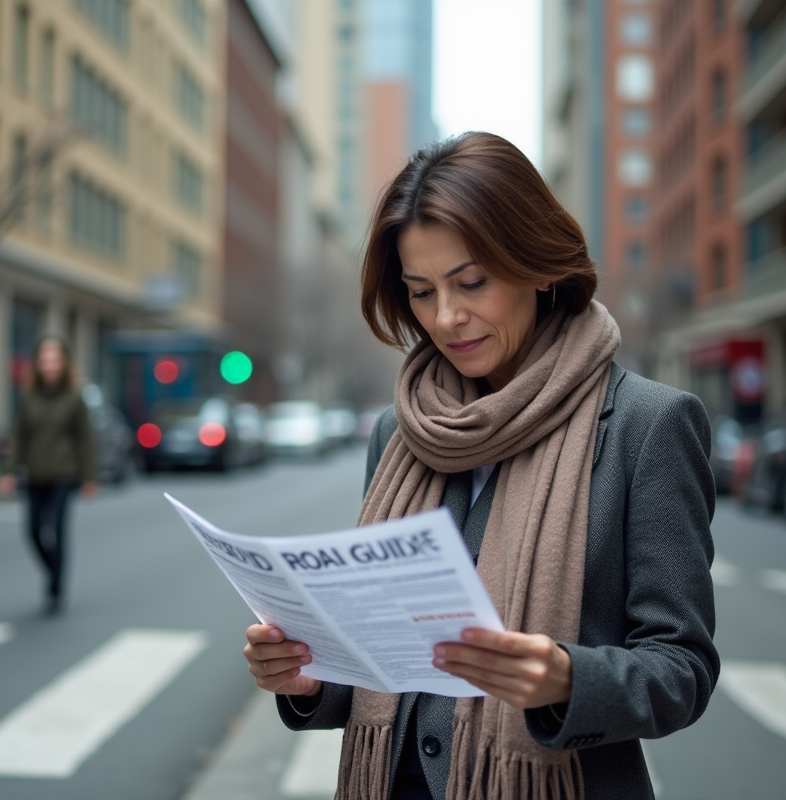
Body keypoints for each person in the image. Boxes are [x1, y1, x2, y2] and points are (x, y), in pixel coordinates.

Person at [243, 133, 718, 800]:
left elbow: (681, 669)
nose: (446, 317)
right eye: (420, 291)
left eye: (471, 282)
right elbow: (380, 655)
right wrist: (309, 679)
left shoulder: (647, 425)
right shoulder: (399, 431)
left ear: (538, 265)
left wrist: (566, 681)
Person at [0, 336, 98, 614]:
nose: (50, 365)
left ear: (63, 363)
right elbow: (19, 436)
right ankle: (51, 572)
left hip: (64, 475)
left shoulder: (74, 397)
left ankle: (56, 587)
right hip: (35, 474)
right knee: (32, 532)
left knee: (56, 530)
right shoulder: (28, 397)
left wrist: (90, 477)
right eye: (45, 360)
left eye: (55, 360)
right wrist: (8, 472)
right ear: (38, 364)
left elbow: (85, 439)